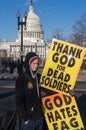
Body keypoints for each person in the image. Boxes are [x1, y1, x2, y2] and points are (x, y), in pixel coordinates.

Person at [15, 52, 45, 130]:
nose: (36, 66)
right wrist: (25, 117)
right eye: (34, 64)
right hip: (29, 120)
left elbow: (49, 89)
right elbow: (19, 100)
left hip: (39, 118)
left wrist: (67, 91)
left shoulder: (39, 77)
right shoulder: (21, 78)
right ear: (28, 64)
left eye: (37, 63)